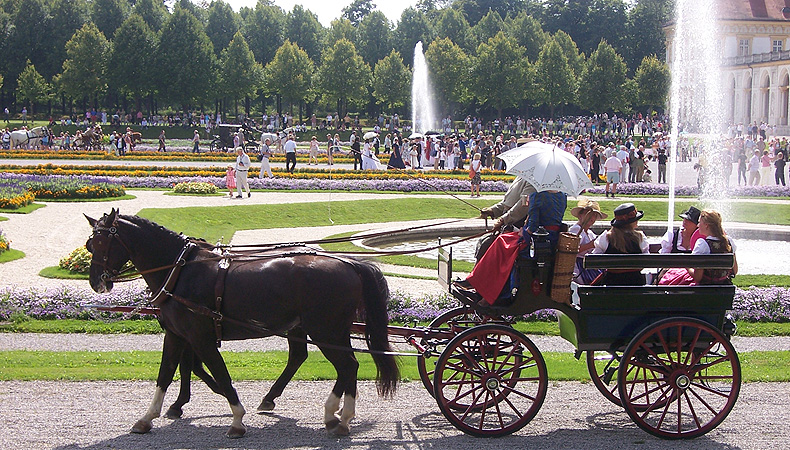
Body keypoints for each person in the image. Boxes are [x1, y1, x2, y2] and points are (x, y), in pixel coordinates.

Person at [460, 189, 568, 306]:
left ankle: (483, 287)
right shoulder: (562, 196)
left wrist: (524, 231)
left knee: (502, 243)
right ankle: (482, 287)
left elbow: (533, 225)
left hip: (536, 239)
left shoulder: (537, 196)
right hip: (551, 240)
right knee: (504, 239)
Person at [591, 203, 650, 285]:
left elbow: (595, 261)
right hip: (635, 283)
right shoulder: (640, 237)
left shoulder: (606, 237)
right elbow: (646, 261)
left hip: (611, 284)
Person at [687, 210, 738, 285]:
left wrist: (687, 267)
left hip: (706, 289)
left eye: (699, 222)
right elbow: (735, 270)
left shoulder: (702, 244)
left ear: (706, 225)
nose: (698, 225)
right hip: (725, 287)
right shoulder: (729, 242)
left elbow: (698, 277)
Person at [568, 199, 607, 285]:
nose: (592, 218)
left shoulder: (590, 233)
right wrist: (590, 245)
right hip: (578, 267)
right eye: (589, 214)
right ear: (580, 215)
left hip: (589, 265)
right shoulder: (575, 230)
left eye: (594, 216)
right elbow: (570, 251)